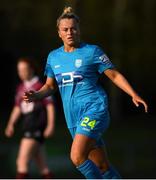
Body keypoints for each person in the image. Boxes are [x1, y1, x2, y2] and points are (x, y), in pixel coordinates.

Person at [23, 7, 148, 179]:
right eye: (65, 29)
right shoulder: (53, 57)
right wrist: (36, 95)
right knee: (102, 167)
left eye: (73, 28)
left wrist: (133, 94)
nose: (70, 32)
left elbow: (114, 75)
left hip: (95, 110)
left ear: (79, 30)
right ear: (59, 33)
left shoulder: (92, 51)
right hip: (73, 119)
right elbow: (50, 86)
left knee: (76, 156)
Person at [5, 57, 55, 179]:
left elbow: (50, 106)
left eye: (24, 69)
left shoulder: (40, 86)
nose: (21, 73)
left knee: (21, 163)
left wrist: (50, 125)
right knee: (43, 167)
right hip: (28, 127)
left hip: (35, 128)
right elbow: (18, 107)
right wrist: (11, 123)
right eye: (19, 70)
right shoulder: (20, 87)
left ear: (32, 69)